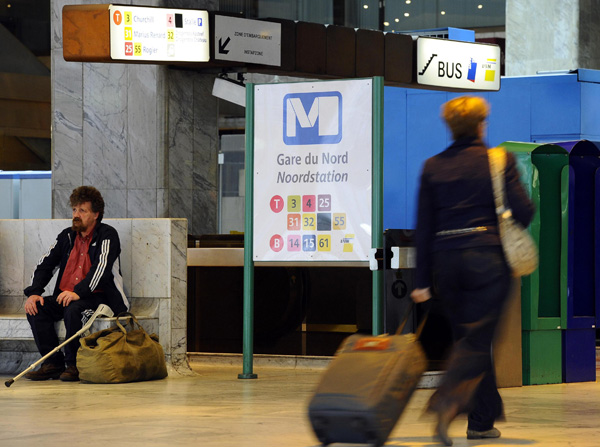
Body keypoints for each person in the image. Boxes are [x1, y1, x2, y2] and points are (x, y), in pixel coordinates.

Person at [410, 96, 535, 446]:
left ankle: (482, 419)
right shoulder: (499, 161)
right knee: (477, 341)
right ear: (482, 125)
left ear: (450, 127)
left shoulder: (432, 166)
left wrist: (421, 282)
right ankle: (447, 404)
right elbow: (525, 211)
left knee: (470, 339)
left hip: (446, 265)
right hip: (487, 262)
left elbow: (424, 227)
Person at [23, 186, 129, 382]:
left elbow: (102, 270)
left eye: (82, 211)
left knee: (74, 309)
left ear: (96, 214)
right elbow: (45, 264)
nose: (76, 215)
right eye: (74, 210)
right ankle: (53, 363)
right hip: (68, 296)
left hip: (101, 298)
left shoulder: (107, 235)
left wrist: (78, 292)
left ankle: (74, 364)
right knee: (37, 308)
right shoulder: (67, 236)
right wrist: (34, 292)